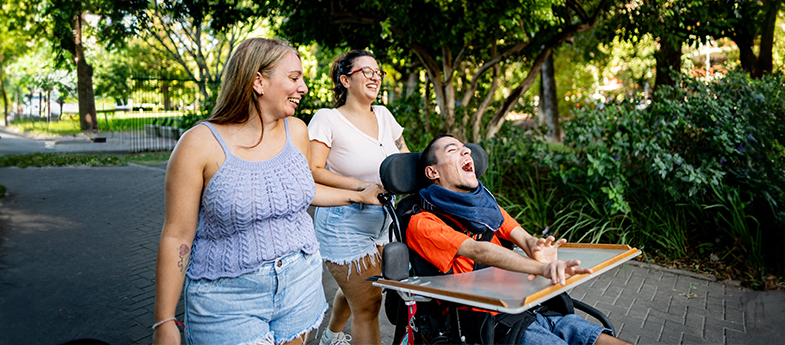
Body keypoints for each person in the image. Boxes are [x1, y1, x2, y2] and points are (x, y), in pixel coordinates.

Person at [151, 38, 381, 345]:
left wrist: (359, 193)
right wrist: (164, 320)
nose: (304, 88)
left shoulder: (296, 130)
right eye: (294, 78)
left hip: (299, 283)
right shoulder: (199, 145)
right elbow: (177, 235)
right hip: (228, 298)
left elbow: (300, 190)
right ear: (258, 81)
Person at [406, 135, 633, 345]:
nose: (466, 152)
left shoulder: (484, 207)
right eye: (453, 150)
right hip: (491, 322)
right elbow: (478, 250)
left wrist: (537, 247)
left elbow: (523, 237)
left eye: (466, 149)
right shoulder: (422, 223)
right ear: (432, 172)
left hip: (532, 307)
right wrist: (542, 269)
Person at [306, 50, 407, 345]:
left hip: (384, 219)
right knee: (368, 304)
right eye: (367, 71)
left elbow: (403, 159)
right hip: (343, 222)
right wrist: (360, 189)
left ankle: (330, 337)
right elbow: (313, 170)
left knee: (357, 289)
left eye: (378, 72)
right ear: (346, 79)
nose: (375, 76)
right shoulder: (327, 119)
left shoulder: (385, 116)